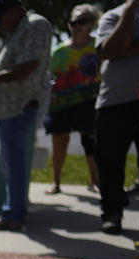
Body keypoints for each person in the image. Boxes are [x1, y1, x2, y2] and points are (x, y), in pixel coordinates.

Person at [0, 0, 52, 231]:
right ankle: (12, 211)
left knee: (14, 164)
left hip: (19, 107)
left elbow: (29, 66)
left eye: (0, 20)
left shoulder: (35, 24)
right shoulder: (19, 29)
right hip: (7, 109)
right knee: (10, 164)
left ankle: (14, 214)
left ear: (12, 11)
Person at [92, 0, 139, 234]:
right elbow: (109, 50)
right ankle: (112, 213)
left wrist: (130, 49)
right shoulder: (113, 16)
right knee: (109, 162)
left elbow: (118, 51)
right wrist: (130, 9)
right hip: (113, 102)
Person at [44, 5, 101, 195]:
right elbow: (48, 79)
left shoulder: (98, 47)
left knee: (91, 142)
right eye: (74, 22)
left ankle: (95, 181)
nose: (77, 26)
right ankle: (56, 182)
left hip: (90, 102)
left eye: (82, 22)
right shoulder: (58, 52)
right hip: (61, 104)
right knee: (59, 141)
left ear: (92, 24)